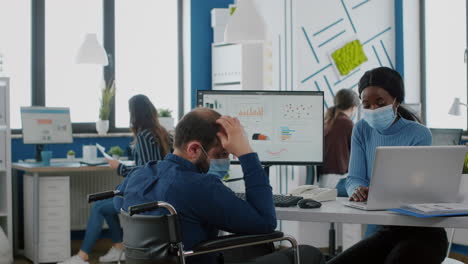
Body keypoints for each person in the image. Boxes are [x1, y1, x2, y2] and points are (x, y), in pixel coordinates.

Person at [116, 108, 325, 264]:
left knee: (258, 248)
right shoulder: (201, 186)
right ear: (194, 149)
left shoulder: (140, 173)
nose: (225, 160)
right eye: (221, 154)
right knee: (309, 253)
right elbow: (266, 221)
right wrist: (245, 153)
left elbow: (118, 201)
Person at [328, 67, 448, 264]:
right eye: (366, 104)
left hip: (424, 233)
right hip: (387, 230)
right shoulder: (361, 129)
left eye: (380, 103)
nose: (373, 109)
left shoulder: (419, 134)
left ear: (396, 101)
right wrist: (357, 189)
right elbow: (355, 177)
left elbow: (418, 188)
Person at [59, 94, 171, 264]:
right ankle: (119, 247)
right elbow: (155, 167)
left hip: (147, 196)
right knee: (106, 206)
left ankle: (82, 257)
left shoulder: (144, 136)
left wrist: (119, 167)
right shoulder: (163, 134)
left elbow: (146, 171)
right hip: (159, 193)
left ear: (135, 115)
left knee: (98, 207)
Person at [318, 89, 359, 196]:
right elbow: (358, 155)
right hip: (338, 182)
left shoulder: (327, 120)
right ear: (353, 107)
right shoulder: (347, 124)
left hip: (323, 180)